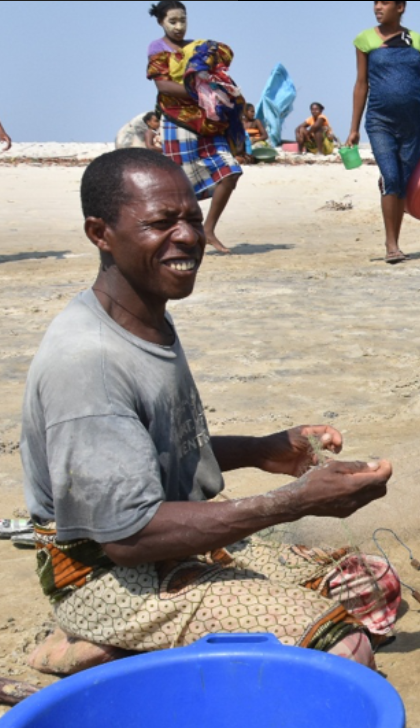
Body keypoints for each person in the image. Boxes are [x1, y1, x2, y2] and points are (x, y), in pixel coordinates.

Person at [19, 149, 400, 676]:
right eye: (160, 223)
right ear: (100, 233)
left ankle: (150, 646)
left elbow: (150, 454)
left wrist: (266, 451)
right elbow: (127, 537)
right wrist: (292, 502)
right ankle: (96, 643)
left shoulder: (143, 316)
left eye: (193, 220)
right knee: (343, 650)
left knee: (368, 583)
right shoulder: (89, 364)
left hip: (166, 544)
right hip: (106, 577)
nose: (187, 237)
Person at [147, 0, 247, 255]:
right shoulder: (158, 48)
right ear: (161, 22)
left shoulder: (198, 48)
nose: (178, 26)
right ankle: (175, 235)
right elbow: (163, 85)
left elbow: (217, 72)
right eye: (172, 21)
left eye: (182, 20)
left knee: (230, 171)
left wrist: (218, 92)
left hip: (208, 121)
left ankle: (208, 229)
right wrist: (203, 93)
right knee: (179, 187)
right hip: (177, 120)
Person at [348, 0, 420, 265]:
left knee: (402, 182)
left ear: (400, 7)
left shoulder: (417, 41)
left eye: (384, 2)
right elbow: (361, 84)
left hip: (416, 124)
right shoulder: (365, 40)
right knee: (390, 177)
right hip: (380, 122)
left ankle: (395, 241)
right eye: (375, 3)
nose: (378, 7)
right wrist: (353, 128)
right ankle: (391, 245)